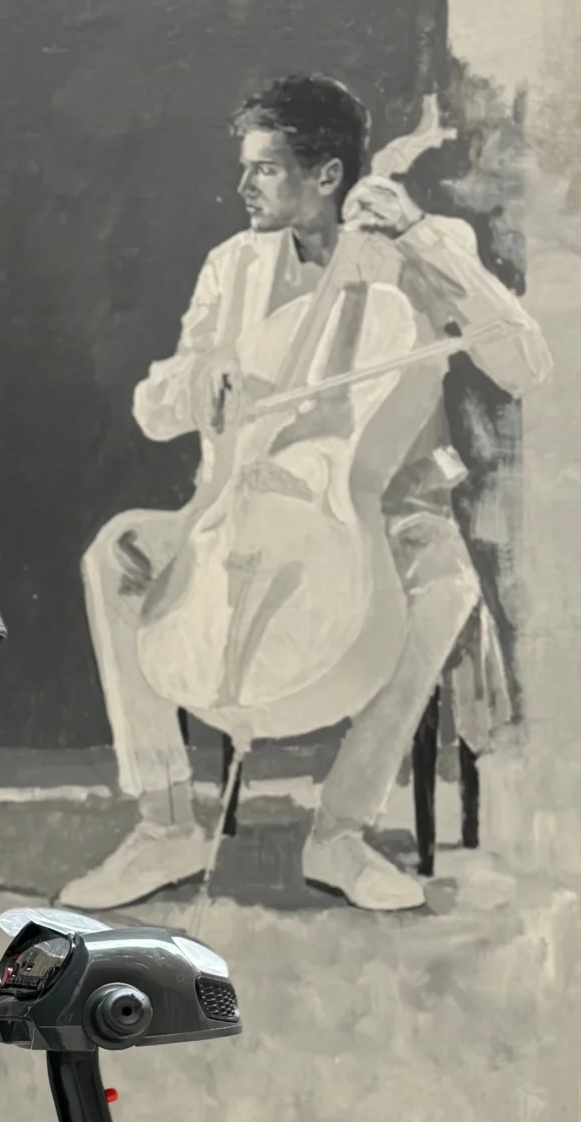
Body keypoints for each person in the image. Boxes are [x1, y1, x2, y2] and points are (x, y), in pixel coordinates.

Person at [62, 73, 550, 913]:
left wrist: (419, 237)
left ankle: (341, 832)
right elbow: (154, 408)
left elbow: (524, 363)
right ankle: (165, 821)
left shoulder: (425, 251)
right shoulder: (233, 265)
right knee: (118, 555)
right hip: (234, 502)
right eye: (245, 168)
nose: (243, 187)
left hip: (385, 508)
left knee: (444, 587)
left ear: (327, 175)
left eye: (265, 169)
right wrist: (200, 380)